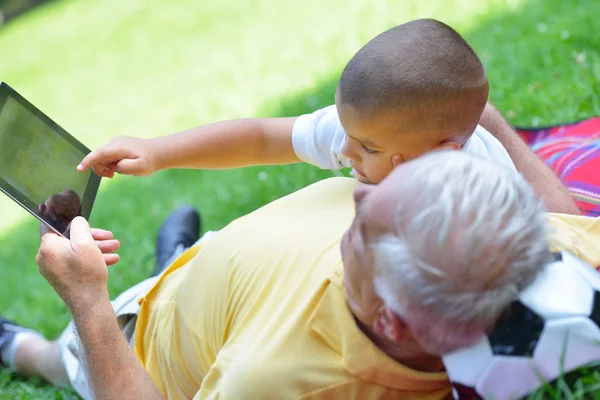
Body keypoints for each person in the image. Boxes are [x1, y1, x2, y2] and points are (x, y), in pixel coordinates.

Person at [1, 151, 598, 399]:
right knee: (192, 266)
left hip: (144, 338)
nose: (361, 198)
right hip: (225, 282)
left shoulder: (273, 381)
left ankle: (14, 345)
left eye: (363, 230)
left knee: (62, 357)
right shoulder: (514, 238)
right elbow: (567, 221)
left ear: (388, 317)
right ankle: (176, 256)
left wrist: (89, 301)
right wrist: (488, 123)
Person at [76, 19, 580, 215]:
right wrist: (160, 152)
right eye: (350, 136)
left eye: (370, 150)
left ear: (442, 156)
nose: (345, 151)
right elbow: (260, 139)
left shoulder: (483, 199)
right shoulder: (370, 131)